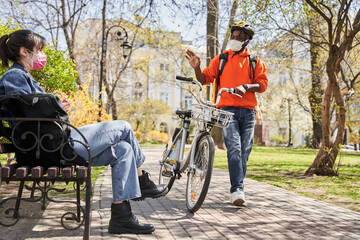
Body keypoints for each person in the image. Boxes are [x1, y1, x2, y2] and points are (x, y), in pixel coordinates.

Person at [0, 29, 166, 234]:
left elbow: (33, 110)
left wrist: (56, 106)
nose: (41, 55)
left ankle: (121, 216)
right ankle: (143, 181)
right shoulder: (14, 75)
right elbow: (26, 111)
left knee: (123, 149)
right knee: (123, 126)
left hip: (53, 144)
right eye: (38, 49)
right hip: (52, 149)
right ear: (25, 51)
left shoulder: (22, 76)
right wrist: (53, 105)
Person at [185, 21, 268, 206]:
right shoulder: (222, 58)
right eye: (233, 36)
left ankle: (238, 186)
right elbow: (205, 78)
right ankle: (237, 189)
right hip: (227, 111)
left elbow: (262, 84)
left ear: (247, 40)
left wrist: (246, 86)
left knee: (245, 151)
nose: (235, 39)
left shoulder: (254, 61)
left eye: (239, 37)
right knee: (235, 148)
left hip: (248, 112)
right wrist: (197, 67)